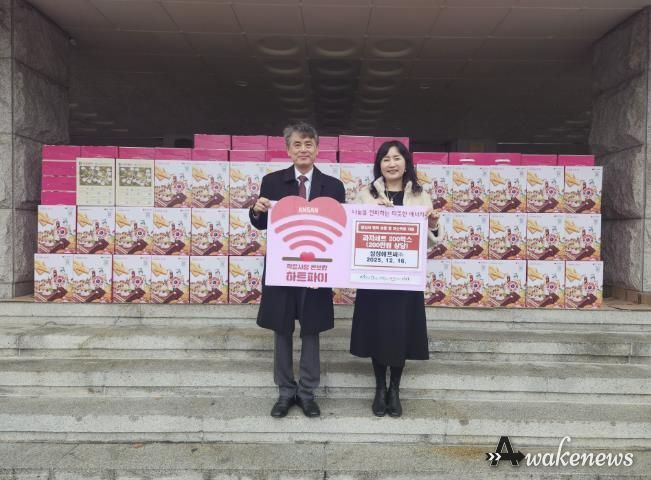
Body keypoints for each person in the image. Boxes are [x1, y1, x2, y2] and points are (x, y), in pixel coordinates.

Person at [250, 122, 346, 418]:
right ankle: (284, 391)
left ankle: (307, 393)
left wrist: (331, 270)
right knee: (281, 329)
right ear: (288, 150)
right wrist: (256, 210)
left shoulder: (333, 186)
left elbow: (340, 230)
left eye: (308, 144)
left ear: (317, 149)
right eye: (297, 144)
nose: (303, 149)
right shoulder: (272, 182)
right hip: (282, 269)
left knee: (311, 330)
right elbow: (262, 223)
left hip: (317, 272)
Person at [350, 141, 439, 418]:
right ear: (379, 164)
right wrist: (372, 213)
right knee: (377, 332)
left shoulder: (420, 195)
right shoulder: (365, 195)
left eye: (396, 158)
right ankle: (380, 388)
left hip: (405, 279)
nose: (391, 163)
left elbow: (429, 242)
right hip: (374, 279)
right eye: (386, 159)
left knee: (400, 333)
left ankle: (395, 389)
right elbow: (352, 233)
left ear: (406, 163)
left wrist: (433, 225)